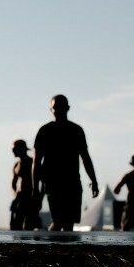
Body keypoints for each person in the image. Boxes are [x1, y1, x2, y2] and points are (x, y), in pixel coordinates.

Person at [33, 95, 99, 232]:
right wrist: (35, 188)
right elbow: (36, 161)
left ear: (67, 108)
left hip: (72, 182)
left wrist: (94, 181)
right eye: (56, 107)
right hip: (52, 182)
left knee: (68, 223)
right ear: (51, 109)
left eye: (61, 107)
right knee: (58, 221)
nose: (59, 110)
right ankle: (54, 248)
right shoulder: (45, 131)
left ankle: (64, 250)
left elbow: (85, 157)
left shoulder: (76, 130)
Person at [9, 139, 40, 230]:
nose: (13, 151)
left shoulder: (32, 163)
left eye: (14, 149)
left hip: (30, 198)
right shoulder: (16, 165)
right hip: (19, 198)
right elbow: (13, 184)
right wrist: (15, 194)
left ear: (21, 149)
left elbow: (41, 181)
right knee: (14, 225)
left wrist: (39, 197)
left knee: (28, 225)